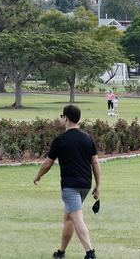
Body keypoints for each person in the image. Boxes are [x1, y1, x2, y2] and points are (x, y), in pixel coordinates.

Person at [33, 105, 101, 259]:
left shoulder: (60, 140)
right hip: (85, 185)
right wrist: (98, 186)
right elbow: (95, 163)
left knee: (77, 218)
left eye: (62, 116)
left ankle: (90, 252)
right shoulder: (88, 138)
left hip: (70, 187)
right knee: (69, 218)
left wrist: (38, 176)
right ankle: (61, 252)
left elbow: (48, 163)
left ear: (66, 118)